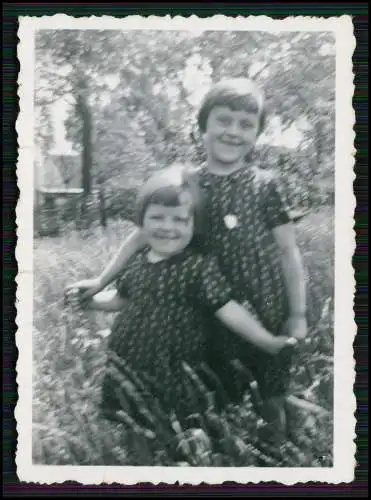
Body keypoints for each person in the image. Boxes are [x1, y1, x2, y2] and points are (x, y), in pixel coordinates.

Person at [67, 78, 307, 436]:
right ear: (203, 127)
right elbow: (140, 236)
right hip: (205, 309)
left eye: (246, 124)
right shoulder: (188, 181)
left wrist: (297, 313)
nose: (233, 131)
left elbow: (288, 251)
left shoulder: (264, 184)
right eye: (223, 120)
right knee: (219, 391)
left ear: (257, 133)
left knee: (270, 389)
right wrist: (101, 280)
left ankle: (281, 456)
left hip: (263, 302)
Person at [79, 165, 295, 428]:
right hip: (129, 358)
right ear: (141, 224)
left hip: (177, 365)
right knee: (130, 419)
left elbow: (228, 309)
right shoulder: (136, 263)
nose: (168, 228)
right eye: (157, 218)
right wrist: (90, 300)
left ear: (194, 226)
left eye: (180, 220)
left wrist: (267, 341)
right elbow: (122, 300)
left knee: (175, 426)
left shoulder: (198, 267)